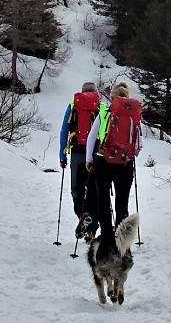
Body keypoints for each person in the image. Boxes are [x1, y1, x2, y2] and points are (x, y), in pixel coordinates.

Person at [85, 79, 142, 244]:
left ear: (112, 98)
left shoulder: (104, 113)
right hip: (125, 163)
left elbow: (91, 138)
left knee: (103, 199)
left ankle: (107, 237)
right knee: (122, 202)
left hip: (104, 162)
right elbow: (141, 143)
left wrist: (89, 160)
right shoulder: (134, 115)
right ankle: (121, 239)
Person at [57, 80, 101, 238]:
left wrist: (62, 156)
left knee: (77, 190)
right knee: (95, 192)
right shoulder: (100, 107)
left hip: (77, 153)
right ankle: (91, 232)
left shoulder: (73, 106)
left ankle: (83, 216)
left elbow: (63, 131)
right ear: (96, 92)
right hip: (96, 155)